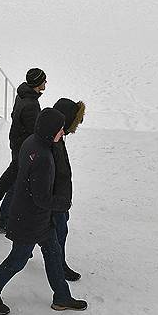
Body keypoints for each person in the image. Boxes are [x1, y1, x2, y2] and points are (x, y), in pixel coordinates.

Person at [0, 108, 87, 315]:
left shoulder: (32, 142)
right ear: (50, 130)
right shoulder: (44, 157)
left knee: (53, 254)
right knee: (18, 259)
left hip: (35, 217)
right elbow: (41, 198)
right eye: (60, 129)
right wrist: (63, 204)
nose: (63, 133)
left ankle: (62, 297)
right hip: (29, 219)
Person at [0, 67, 47, 233]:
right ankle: (3, 221)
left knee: (16, 179)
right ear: (38, 83)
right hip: (23, 147)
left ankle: (4, 217)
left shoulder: (23, 95)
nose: (46, 82)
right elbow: (33, 130)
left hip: (17, 143)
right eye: (44, 80)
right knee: (17, 183)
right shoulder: (30, 104)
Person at [52, 97, 86, 282]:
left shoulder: (58, 137)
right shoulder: (52, 141)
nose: (76, 127)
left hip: (60, 199)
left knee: (57, 233)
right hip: (55, 201)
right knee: (59, 234)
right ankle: (59, 266)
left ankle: (58, 263)